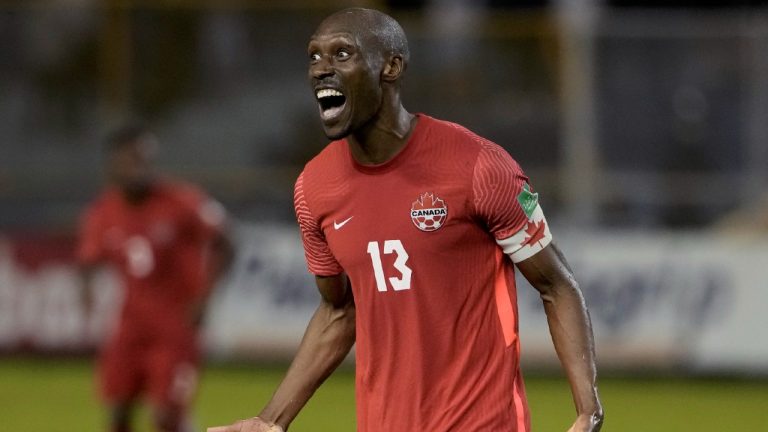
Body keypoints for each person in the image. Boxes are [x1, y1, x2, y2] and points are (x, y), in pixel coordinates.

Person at [209, 7, 602, 432]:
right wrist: (271, 421)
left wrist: (587, 409)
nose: (322, 69)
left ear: (391, 67)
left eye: (342, 54)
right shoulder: (314, 189)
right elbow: (339, 310)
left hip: (483, 422)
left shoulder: (479, 167)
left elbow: (555, 284)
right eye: (314, 57)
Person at [78, 124, 234, 432]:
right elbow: (88, 259)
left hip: (175, 326)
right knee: (118, 413)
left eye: (143, 159)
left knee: (167, 417)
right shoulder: (103, 211)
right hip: (130, 327)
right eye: (130, 159)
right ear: (114, 163)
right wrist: (86, 290)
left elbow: (227, 242)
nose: (139, 167)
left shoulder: (180, 201)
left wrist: (204, 298)